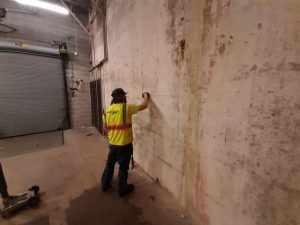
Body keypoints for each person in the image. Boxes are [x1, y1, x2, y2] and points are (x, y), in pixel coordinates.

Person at [101, 88, 150, 197]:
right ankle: (122, 189)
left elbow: (105, 129)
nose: (126, 98)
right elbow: (144, 106)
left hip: (112, 145)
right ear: (122, 97)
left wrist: (112, 137)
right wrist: (146, 96)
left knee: (110, 164)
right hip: (124, 146)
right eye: (125, 96)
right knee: (123, 168)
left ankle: (104, 184)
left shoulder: (106, 110)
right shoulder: (126, 107)